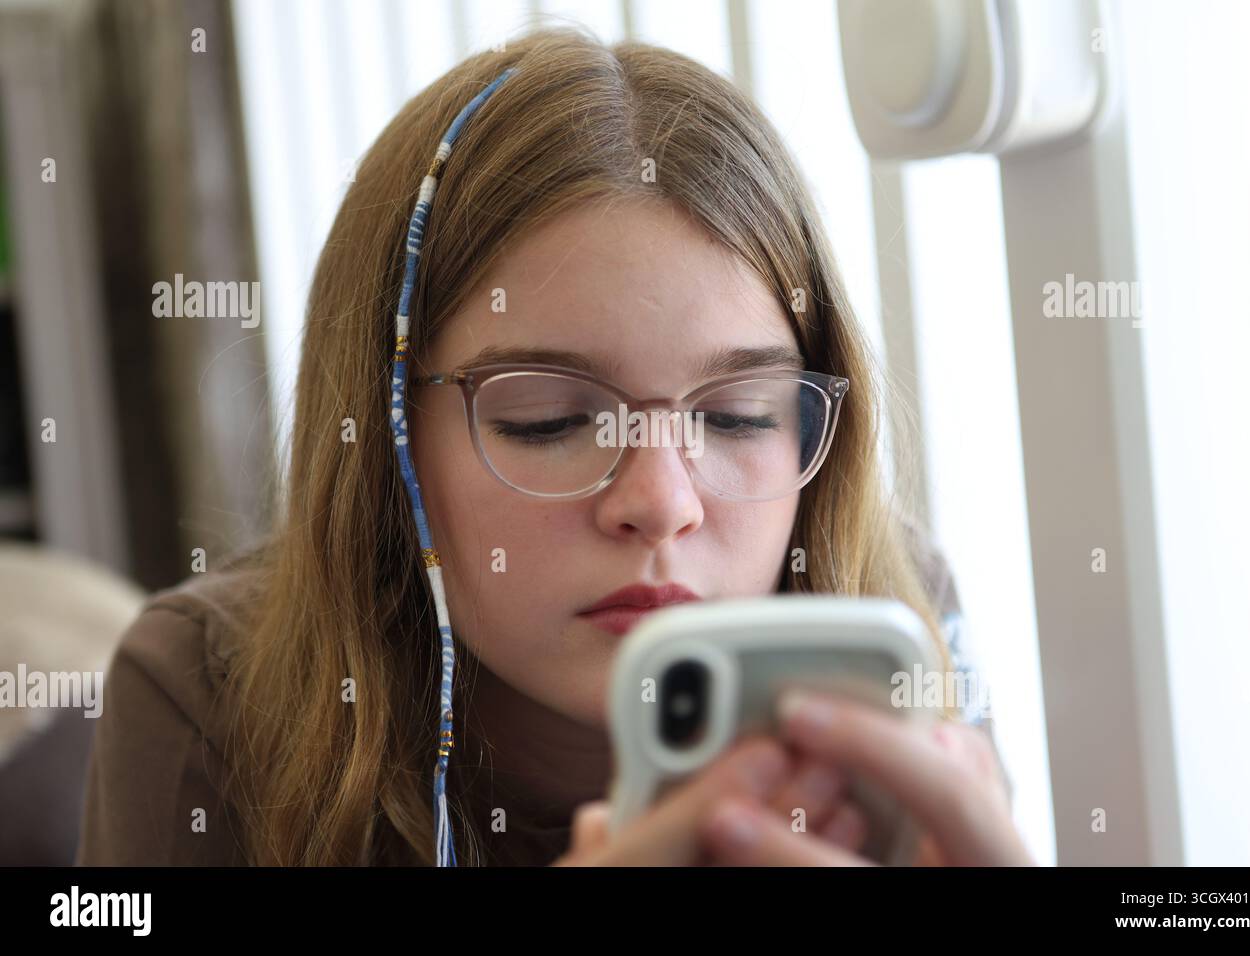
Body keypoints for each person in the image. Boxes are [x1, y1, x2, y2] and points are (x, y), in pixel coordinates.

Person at [77, 27, 1032, 867]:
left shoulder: (889, 615)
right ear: (385, 443)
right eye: (549, 419)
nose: (661, 502)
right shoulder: (205, 692)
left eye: (738, 415)